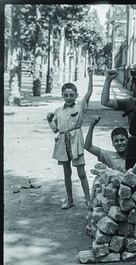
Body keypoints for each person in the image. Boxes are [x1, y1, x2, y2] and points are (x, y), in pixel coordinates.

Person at [46, 67, 93, 209]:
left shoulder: (79, 107)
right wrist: (49, 120)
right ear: (62, 95)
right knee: (67, 173)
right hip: (62, 143)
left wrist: (90, 76)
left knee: (81, 172)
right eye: (66, 95)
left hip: (76, 142)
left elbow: (89, 93)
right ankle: (70, 199)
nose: (68, 98)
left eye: (71, 95)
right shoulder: (58, 111)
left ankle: (88, 200)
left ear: (76, 95)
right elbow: (55, 130)